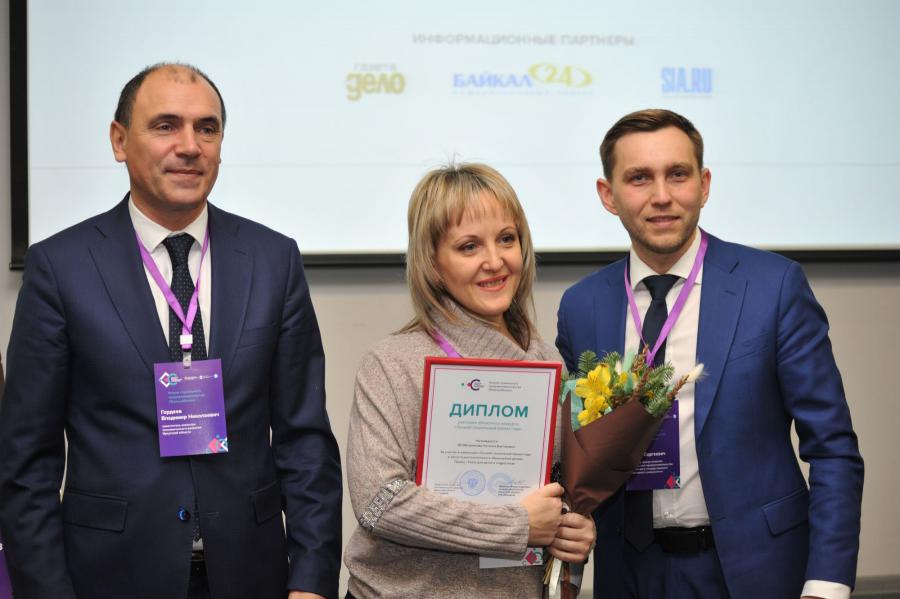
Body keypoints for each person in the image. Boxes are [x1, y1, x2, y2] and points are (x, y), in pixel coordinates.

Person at [0, 63, 342, 599]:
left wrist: (312, 582)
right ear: (119, 141)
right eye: (165, 126)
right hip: (110, 577)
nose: (189, 146)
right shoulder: (60, 268)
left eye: (207, 128)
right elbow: (27, 461)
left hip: (251, 575)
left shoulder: (273, 260)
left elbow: (306, 442)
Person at [556, 109, 864, 599]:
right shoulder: (582, 306)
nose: (662, 195)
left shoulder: (773, 287)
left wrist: (826, 585)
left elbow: (832, 449)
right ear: (608, 194)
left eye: (677, 174)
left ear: (703, 185)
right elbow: (576, 458)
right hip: (629, 575)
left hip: (756, 571)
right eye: (639, 178)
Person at [343, 163, 595, 598]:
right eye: (469, 246)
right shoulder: (391, 363)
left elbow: (560, 490)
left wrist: (573, 526)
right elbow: (379, 502)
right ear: (433, 263)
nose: (495, 261)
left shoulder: (548, 361)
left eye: (507, 239)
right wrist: (515, 526)